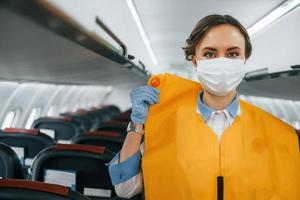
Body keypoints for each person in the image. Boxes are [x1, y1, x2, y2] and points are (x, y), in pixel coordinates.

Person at [108, 14, 300, 199]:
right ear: (195, 61)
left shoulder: (275, 134)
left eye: (232, 53)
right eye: (210, 53)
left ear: (244, 60)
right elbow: (124, 188)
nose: (221, 62)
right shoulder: (165, 122)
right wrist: (136, 125)